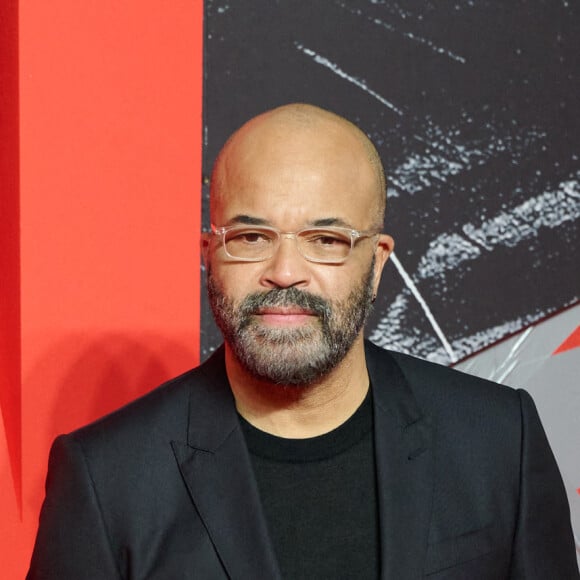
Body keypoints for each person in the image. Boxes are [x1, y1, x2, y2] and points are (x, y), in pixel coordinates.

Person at [28, 103, 578, 579]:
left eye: (326, 239)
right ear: (209, 256)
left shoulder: (500, 440)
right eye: (250, 237)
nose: (286, 271)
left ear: (377, 261)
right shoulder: (107, 478)